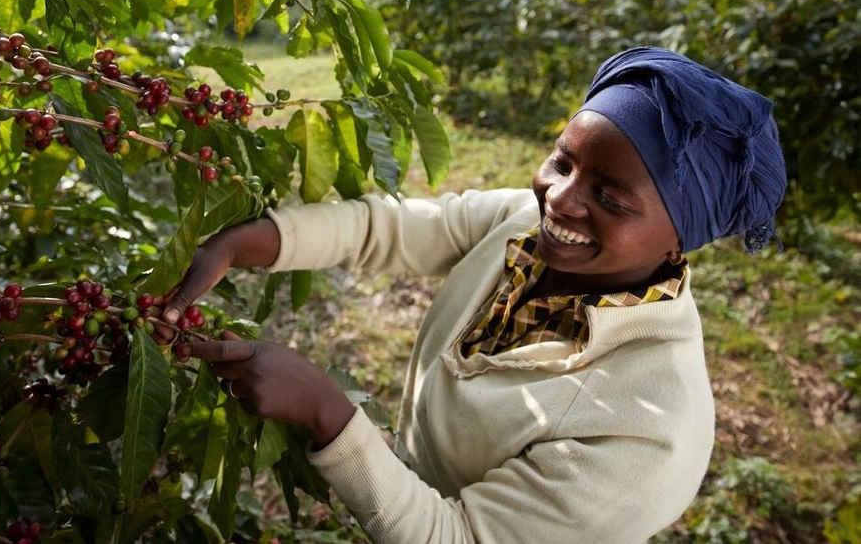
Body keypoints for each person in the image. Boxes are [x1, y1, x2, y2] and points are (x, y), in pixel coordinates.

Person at [160, 47, 787, 543]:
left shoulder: (647, 431)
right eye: (563, 163)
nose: (560, 199)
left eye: (611, 198)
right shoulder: (520, 226)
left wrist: (328, 411)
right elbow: (396, 229)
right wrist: (245, 243)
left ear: (680, 240)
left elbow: (457, 535)